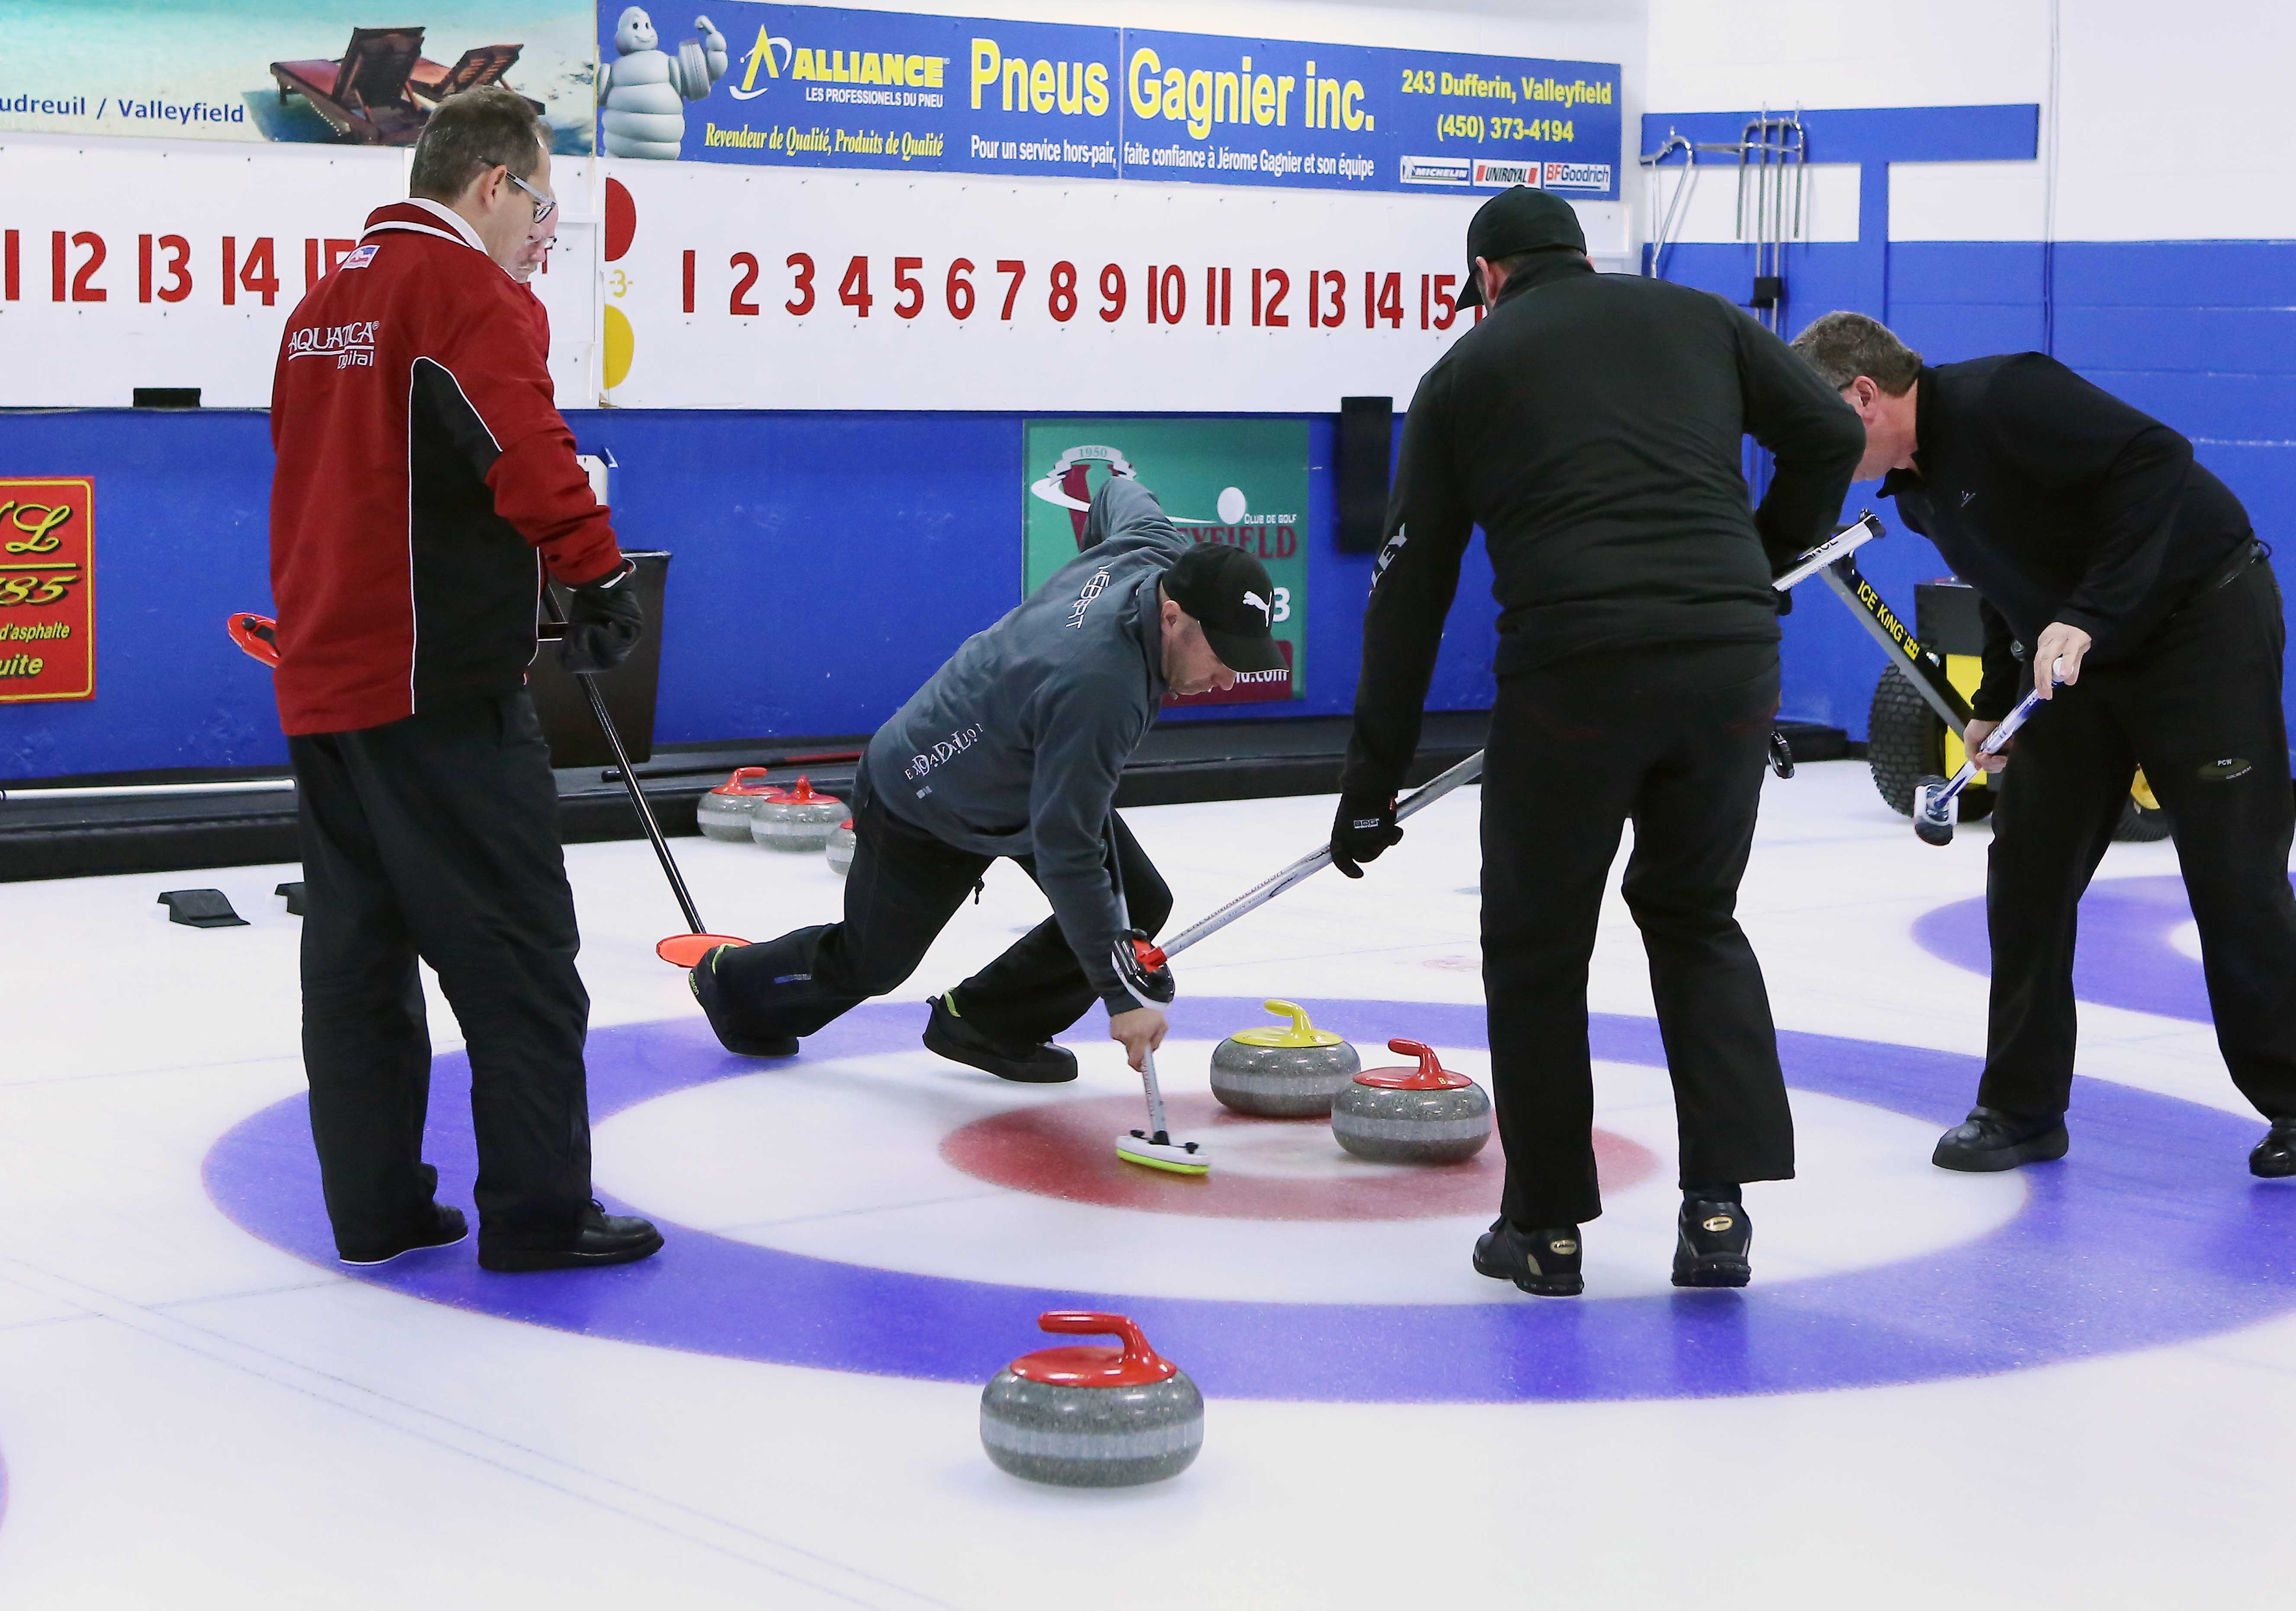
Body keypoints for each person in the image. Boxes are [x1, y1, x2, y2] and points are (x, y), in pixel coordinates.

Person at [1333, 187, 1865, 1296]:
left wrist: (1371, 786)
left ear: (1486, 278)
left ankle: (1547, 1228)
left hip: (1576, 673)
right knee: (1694, 917)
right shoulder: (1697, 316)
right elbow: (1831, 429)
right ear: (1580, 254)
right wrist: (1760, 564)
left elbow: (1410, 595)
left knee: (1537, 947)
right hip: (1727, 666)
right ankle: (1717, 1217)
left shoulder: (1464, 375)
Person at [1789, 312, 2296, 1178]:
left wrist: (2088, 614)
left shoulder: (2003, 396)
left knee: (2232, 870)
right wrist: (1991, 700)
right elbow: (1999, 578)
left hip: (2198, 630)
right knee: (2027, 871)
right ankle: (2020, 1110)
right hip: (2075, 661)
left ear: (1863, 396)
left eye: (1815, 419)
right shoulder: (1916, 491)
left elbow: (2157, 459)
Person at [268, 88, 662, 1272]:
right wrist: (596, 578)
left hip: (327, 686)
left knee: (358, 959)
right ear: (492, 185)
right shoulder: (463, 293)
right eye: (542, 200)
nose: (546, 230)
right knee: (520, 955)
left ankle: (377, 1209)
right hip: (439, 691)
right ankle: (541, 1214)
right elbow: (525, 450)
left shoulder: (319, 309)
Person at [689, 471, 1280, 1081]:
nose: (1229, 680)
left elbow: (1115, 488)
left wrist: (1080, 597)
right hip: (928, 795)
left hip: (1027, 770)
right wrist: (1122, 995)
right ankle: (731, 983)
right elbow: (1068, 851)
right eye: (1222, 657)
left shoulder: (1155, 550)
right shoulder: (1101, 688)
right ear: (1173, 616)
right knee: (873, 964)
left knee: (1140, 900)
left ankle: (986, 1022)